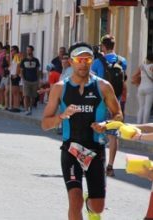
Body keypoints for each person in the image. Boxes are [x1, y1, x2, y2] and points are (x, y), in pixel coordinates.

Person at [42, 42, 122, 220]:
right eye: (79, 59)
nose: (83, 63)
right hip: (71, 149)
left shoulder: (103, 87)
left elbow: (118, 115)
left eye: (87, 59)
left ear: (92, 61)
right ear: (71, 62)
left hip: (96, 149)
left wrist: (106, 124)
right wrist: (61, 117)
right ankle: (81, 203)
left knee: (98, 207)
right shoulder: (60, 88)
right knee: (74, 199)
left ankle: (89, 203)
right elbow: (45, 123)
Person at [91, 34, 127, 177]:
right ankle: (110, 166)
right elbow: (124, 80)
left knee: (96, 132)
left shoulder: (98, 62)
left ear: (103, 47)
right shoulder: (122, 61)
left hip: (101, 101)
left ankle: (95, 165)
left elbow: (92, 82)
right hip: (116, 102)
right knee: (113, 136)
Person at [132, 53, 153, 124]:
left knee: (141, 107)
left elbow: (134, 76)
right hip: (150, 88)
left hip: (141, 88)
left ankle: (138, 124)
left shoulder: (142, 66)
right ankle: (145, 124)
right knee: (147, 107)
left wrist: (137, 84)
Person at [20, 45, 41, 115]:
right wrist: (23, 79)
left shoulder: (36, 60)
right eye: (27, 50)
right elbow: (21, 71)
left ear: (32, 51)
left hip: (34, 80)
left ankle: (30, 108)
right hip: (26, 80)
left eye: (29, 50)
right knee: (26, 95)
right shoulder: (23, 60)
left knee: (33, 96)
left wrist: (38, 80)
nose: (28, 51)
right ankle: (26, 109)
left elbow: (38, 71)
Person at [9, 46, 22, 112]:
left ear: (16, 50)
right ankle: (14, 106)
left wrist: (16, 74)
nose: (11, 52)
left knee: (15, 92)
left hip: (15, 76)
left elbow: (18, 65)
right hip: (13, 75)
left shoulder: (17, 56)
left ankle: (16, 107)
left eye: (12, 50)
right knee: (14, 92)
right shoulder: (14, 57)